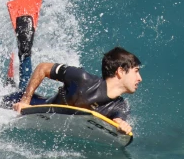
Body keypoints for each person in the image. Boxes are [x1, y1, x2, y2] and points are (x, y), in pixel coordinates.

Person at [7, 47, 142, 135]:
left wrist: (121, 126)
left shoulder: (121, 106)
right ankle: (24, 46)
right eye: (136, 71)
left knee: (22, 85)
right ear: (120, 71)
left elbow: (118, 119)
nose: (139, 78)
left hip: (50, 121)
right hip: (29, 104)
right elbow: (43, 68)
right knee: (14, 93)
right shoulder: (83, 79)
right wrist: (25, 101)